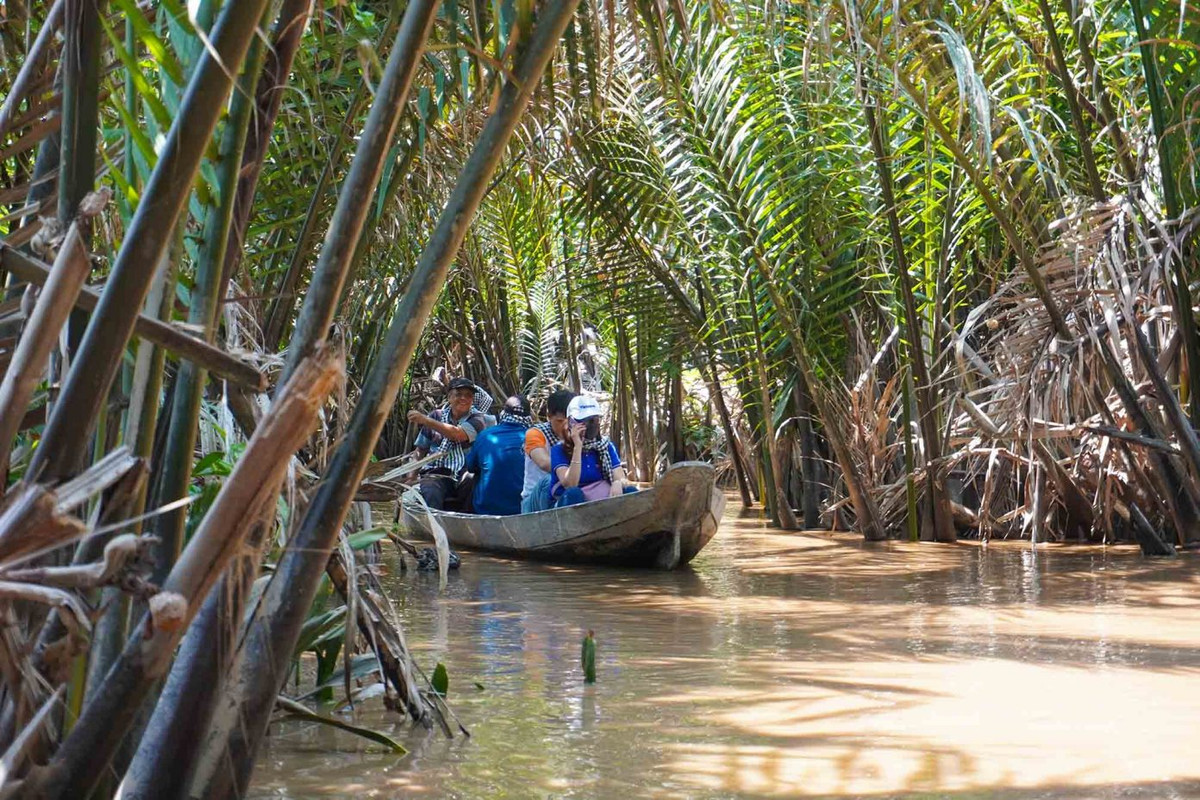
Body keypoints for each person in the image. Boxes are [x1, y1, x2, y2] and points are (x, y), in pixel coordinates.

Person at [408, 377, 491, 510]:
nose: (463, 398)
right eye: (459, 394)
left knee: (472, 481)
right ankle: (433, 526)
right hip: (436, 472)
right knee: (430, 489)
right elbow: (420, 450)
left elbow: (456, 434)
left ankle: (464, 522)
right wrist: (411, 477)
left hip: (464, 471)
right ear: (449, 397)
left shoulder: (477, 419)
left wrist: (425, 420)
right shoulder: (436, 416)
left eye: (468, 395)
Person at [549, 395, 637, 508]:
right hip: (569, 504)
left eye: (594, 420)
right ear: (572, 423)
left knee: (631, 491)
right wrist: (577, 447)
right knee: (574, 494)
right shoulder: (559, 450)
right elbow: (570, 484)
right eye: (586, 421)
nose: (591, 425)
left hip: (601, 499)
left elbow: (620, 477)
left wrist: (618, 483)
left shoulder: (605, 446)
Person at [464, 395, 532, 516]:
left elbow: (470, 467)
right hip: (524, 509)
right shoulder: (535, 437)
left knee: (472, 477)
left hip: (485, 509)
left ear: (503, 413)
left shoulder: (485, 435)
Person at [521, 389, 575, 513]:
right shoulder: (535, 434)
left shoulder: (579, 433)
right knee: (550, 480)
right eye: (560, 421)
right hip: (535, 500)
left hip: (565, 493)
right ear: (549, 416)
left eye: (570, 421)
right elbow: (544, 463)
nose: (566, 426)